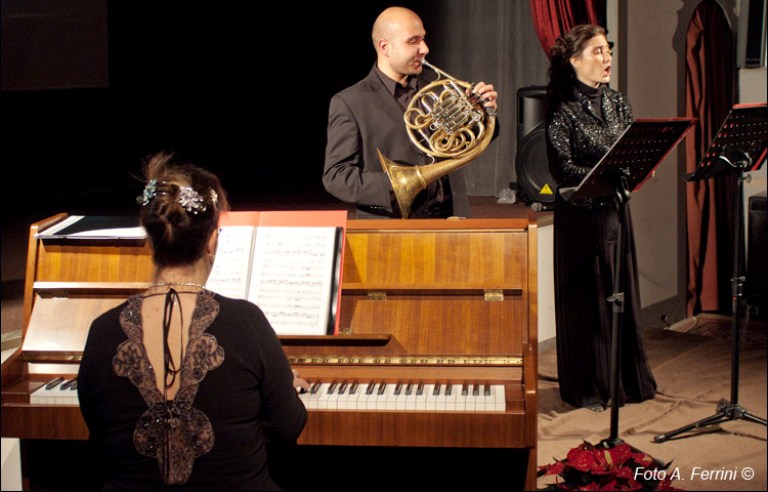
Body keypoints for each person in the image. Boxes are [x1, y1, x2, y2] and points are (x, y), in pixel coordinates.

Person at [77, 152, 309, 490]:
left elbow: (99, 439)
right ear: (212, 239)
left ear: (149, 237)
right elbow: (288, 428)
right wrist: (281, 385)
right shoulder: (247, 321)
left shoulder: (102, 330)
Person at [544, 24, 657, 412]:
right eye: (597, 51)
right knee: (587, 300)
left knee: (619, 291)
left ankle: (627, 381)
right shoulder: (561, 107)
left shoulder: (618, 102)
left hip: (613, 210)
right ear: (574, 60)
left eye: (607, 50)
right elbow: (563, 168)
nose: (607, 58)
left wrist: (637, 166)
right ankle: (587, 386)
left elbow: (629, 148)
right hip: (579, 217)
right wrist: (607, 173)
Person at [322, 6, 498, 219]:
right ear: (385, 47)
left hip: (452, 220)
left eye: (423, 39)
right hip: (393, 225)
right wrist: (398, 184)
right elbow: (337, 177)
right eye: (413, 41)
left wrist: (484, 112)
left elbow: (468, 140)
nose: (424, 48)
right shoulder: (351, 102)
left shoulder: (440, 89)